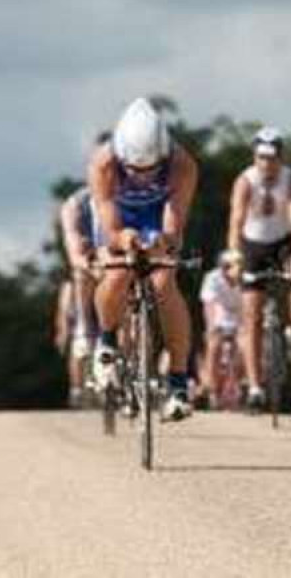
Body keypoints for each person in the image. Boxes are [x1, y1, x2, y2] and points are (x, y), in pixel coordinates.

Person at [89, 97, 198, 422]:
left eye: (150, 169)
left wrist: (162, 242)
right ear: (121, 156)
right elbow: (109, 222)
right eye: (134, 169)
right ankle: (107, 339)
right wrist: (123, 240)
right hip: (117, 216)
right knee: (118, 272)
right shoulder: (103, 163)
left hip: (156, 216)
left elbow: (174, 221)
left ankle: (179, 382)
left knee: (164, 282)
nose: (141, 176)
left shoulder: (183, 164)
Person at [227, 126, 291, 412]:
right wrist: (234, 257)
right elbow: (236, 221)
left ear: (281, 158)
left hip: (283, 242)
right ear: (255, 157)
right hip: (253, 245)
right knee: (251, 315)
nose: (266, 164)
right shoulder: (245, 181)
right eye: (261, 158)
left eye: (271, 158)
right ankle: (255, 386)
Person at [56, 180, 101, 408]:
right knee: (80, 273)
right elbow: (74, 250)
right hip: (88, 259)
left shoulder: (127, 194)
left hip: (115, 252)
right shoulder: (76, 205)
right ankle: (84, 327)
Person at [199, 250, 245, 409]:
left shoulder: (246, 278)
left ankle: (240, 382)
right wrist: (211, 327)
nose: (239, 269)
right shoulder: (212, 278)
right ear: (225, 268)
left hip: (240, 316)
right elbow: (209, 306)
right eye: (235, 266)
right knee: (214, 345)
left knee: (244, 346)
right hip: (220, 315)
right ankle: (211, 387)